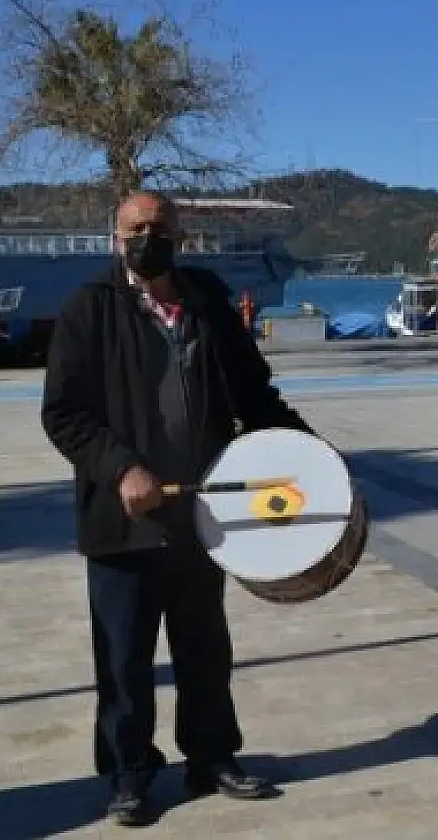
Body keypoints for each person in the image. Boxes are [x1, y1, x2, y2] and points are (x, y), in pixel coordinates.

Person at [42, 191, 313, 827]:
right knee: (124, 657)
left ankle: (213, 756)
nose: (147, 236)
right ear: (116, 236)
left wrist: (309, 449)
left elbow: (254, 391)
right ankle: (129, 774)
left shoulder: (208, 302)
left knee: (204, 648)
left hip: (204, 511)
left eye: (159, 227)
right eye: (135, 227)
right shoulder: (90, 308)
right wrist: (121, 468)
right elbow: (64, 414)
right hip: (125, 518)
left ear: (181, 236)